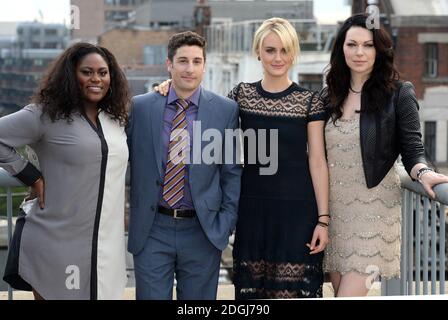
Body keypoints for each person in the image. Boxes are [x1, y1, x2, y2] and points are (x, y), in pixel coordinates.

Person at [156, 17, 329, 299]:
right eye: (270, 50)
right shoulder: (241, 95)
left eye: (284, 50)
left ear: (294, 53)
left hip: (297, 214)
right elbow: (203, 111)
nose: (277, 57)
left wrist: (323, 220)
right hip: (250, 212)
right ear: (258, 52)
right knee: (252, 296)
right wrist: (171, 85)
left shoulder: (310, 101)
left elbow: (317, 161)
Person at [321, 13, 448, 297]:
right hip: (335, 215)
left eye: (368, 45)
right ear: (341, 48)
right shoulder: (329, 95)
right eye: (352, 44)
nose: (359, 52)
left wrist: (423, 172)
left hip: (374, 215)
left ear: (380, 50)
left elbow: (414, 150)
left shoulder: (399, 93)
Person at [0, 42, 130, 300]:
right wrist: (29, 174)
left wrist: (167, 88)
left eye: (103, 73)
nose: (96, 79)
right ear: (71, 75)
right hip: (55, 242)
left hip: (106, 249)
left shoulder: (117, 118)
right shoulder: (45, 115)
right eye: (87, 72)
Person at [126, 31, 242, 300]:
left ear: (204, 64)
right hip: (152, 229)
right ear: (169, 64)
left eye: (197, 61)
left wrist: (224, 224)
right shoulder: (141, 108)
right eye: (182, 61)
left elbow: (231, 173)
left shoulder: (225, 110)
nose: (190, 69)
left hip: (202, 230)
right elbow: (118, 156)